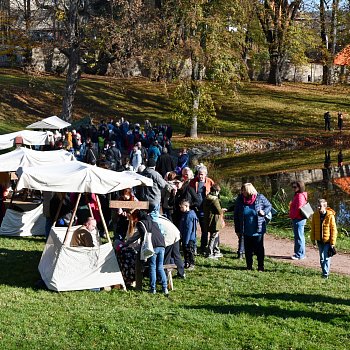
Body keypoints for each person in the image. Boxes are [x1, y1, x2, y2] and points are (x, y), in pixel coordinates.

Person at [127, 211, 168, 295]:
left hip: (153, 246)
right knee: (160, 267)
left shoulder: (140, 224)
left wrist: (127, 243)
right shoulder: (154, 222)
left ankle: (153, 289)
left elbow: (139, 236)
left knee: (152, 267)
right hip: (162, 245)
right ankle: (165, 288)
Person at [234, 183, 271, 271]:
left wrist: (264, 212)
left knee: (259, 249)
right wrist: (237, 229)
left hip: (258, 229)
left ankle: (260, 266)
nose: (242, 192)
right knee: (248, 249)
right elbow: (236, 215)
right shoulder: (240, 199)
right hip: (245, 229)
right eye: (242, 190)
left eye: (244, 191)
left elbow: (269, 206)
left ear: (249, 191)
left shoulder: (259, 197)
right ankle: (249, 266)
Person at [190, 165, 215, 254]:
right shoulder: (193, 182)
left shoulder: (210, 182)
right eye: (199, 174)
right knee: (193, 229)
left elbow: (215, 194)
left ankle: (203, 247)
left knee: (204, 230)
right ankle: (193, 246)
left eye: (202, 174)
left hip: (205, 209)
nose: (200, 176)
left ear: (205, 175)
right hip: (195, 208)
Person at [310, 199, 338, 279]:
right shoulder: (315, 215)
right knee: (322, 258)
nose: (318, 207)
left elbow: (334, 230)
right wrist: (313, 239)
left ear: (325, 207)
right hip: (319, 241)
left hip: (327, 241)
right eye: (318, 206)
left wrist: (332, 243)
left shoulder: (330, 216)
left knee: (326, 257)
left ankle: (325, 274)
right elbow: (313, 228)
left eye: (320, 206)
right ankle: (324, 271)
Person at [203, 184, 226, 259]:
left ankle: (216, 251)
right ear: (216, 191)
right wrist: (223, 210)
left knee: (214, 235)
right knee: (213, 237)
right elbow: (219, 211)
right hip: (214, 220)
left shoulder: (207, 197)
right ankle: (209, 253)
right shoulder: (214, 199)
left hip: (208, 219)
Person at [289, 180, 308, 260]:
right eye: (292, 187)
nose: (293, 189)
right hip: (298, 218)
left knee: (299, 237)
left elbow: (299, 208)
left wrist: (293, 216)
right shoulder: (299, 195)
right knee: (299, 236)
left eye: (295, 187)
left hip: (298, 219)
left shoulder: (300, 196)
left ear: (300, 187)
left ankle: (299, 254)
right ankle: (300, 253)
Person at [179, 199, 197, 270]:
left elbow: (188, 229)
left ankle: (191, 264)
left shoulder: (189, 216)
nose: (180, 209)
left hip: (189, 238)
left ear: (187, 206)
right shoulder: (185, 214)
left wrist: (185, 241)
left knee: (189, 251)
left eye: (182, 207)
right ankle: (186, 262)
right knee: (185, 251)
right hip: (185, 237)